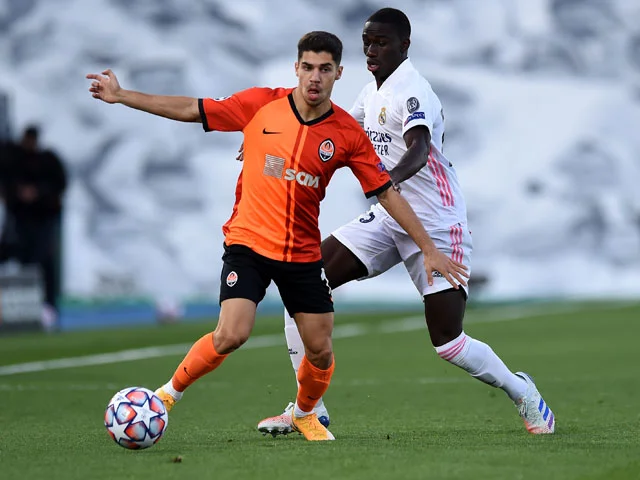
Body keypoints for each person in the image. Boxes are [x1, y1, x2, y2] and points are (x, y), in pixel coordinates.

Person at [86, 31, 468, 442]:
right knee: (232, 334)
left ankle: (305, 413)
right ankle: (166, 395)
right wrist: (122, 96)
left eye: (325, 69)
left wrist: (428, 248)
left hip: (301, 253)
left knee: (320, 349)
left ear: (339, 73)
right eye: (308, 67)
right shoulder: (260, 105)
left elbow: (387, 193)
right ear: (296, 68)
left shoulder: (346, 133)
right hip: (248, 242)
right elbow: (192, 109)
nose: (315, 77)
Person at [257, 8, 555, 436]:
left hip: (437, 225)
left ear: (404, 45)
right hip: (388, 217)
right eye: (367, 43)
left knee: (449, 343)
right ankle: (311, 409)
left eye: (381, 43)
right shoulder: (371, 92)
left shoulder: (413, 90)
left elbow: (418, 148)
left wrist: (387, 181)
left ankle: (521, 390)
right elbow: (331, 133)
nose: (371, 50)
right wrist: (273, 146)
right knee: (300, 287)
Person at [0, 125, 67, 329]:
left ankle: (48, 308)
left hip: (43, 221)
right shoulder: (12, 159)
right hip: (17, 222)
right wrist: (17, 193)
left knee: (44, 262)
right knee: (15, 258)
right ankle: (12, 309)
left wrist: (38, 192)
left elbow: (60, 184)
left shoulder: (47, 160)